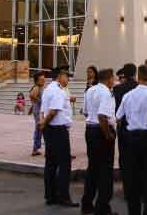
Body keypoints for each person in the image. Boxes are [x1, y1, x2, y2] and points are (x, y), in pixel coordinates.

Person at [117, 65, 147, 215]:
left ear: (138, 77)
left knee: (133, 179)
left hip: (131, 138)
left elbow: (118, 118)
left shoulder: (127, 96)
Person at [39, 67, 78, 207]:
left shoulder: (49, 88)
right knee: (64, 164)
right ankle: (63, 197)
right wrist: (44, 123)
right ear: (60, 76)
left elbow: (44, 110)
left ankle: (50, 196)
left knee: (51, 163)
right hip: (58, 130)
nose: (68, 79)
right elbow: (53, 111)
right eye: (67, 76)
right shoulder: (57, 90)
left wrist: (43, 124)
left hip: (50, 130)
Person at [81, 68, 117, 215]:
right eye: (113, 78)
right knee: (105, 171)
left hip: (90, 130)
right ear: (108, 79)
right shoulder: (106, 93)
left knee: (93, 169)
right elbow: (102, 116)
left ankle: (87, 204)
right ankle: (102, 207)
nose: (114, 81)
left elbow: (85, 112)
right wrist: (108, 134)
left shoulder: (90, 90)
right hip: (101, 131)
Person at [113, 63, 138, 198]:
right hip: (138, 129)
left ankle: (127, 189)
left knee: (125, 159)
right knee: (138, 159)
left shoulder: (118, 89)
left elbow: (118, 111)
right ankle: (138, 188)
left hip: (123, 128)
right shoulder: (140, 88)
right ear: (134, 73)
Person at [29, 73, 46, 156]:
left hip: (38, 111)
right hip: (39, 112)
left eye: (44, 79)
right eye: (41, 79)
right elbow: (32, 95)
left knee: (39, 129)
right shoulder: (37, 87)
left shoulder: (40, 87)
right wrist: (41, 102)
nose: (43, 80)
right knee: (40, 129)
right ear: (37, 81)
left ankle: (36, 148)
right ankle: (35, 148)